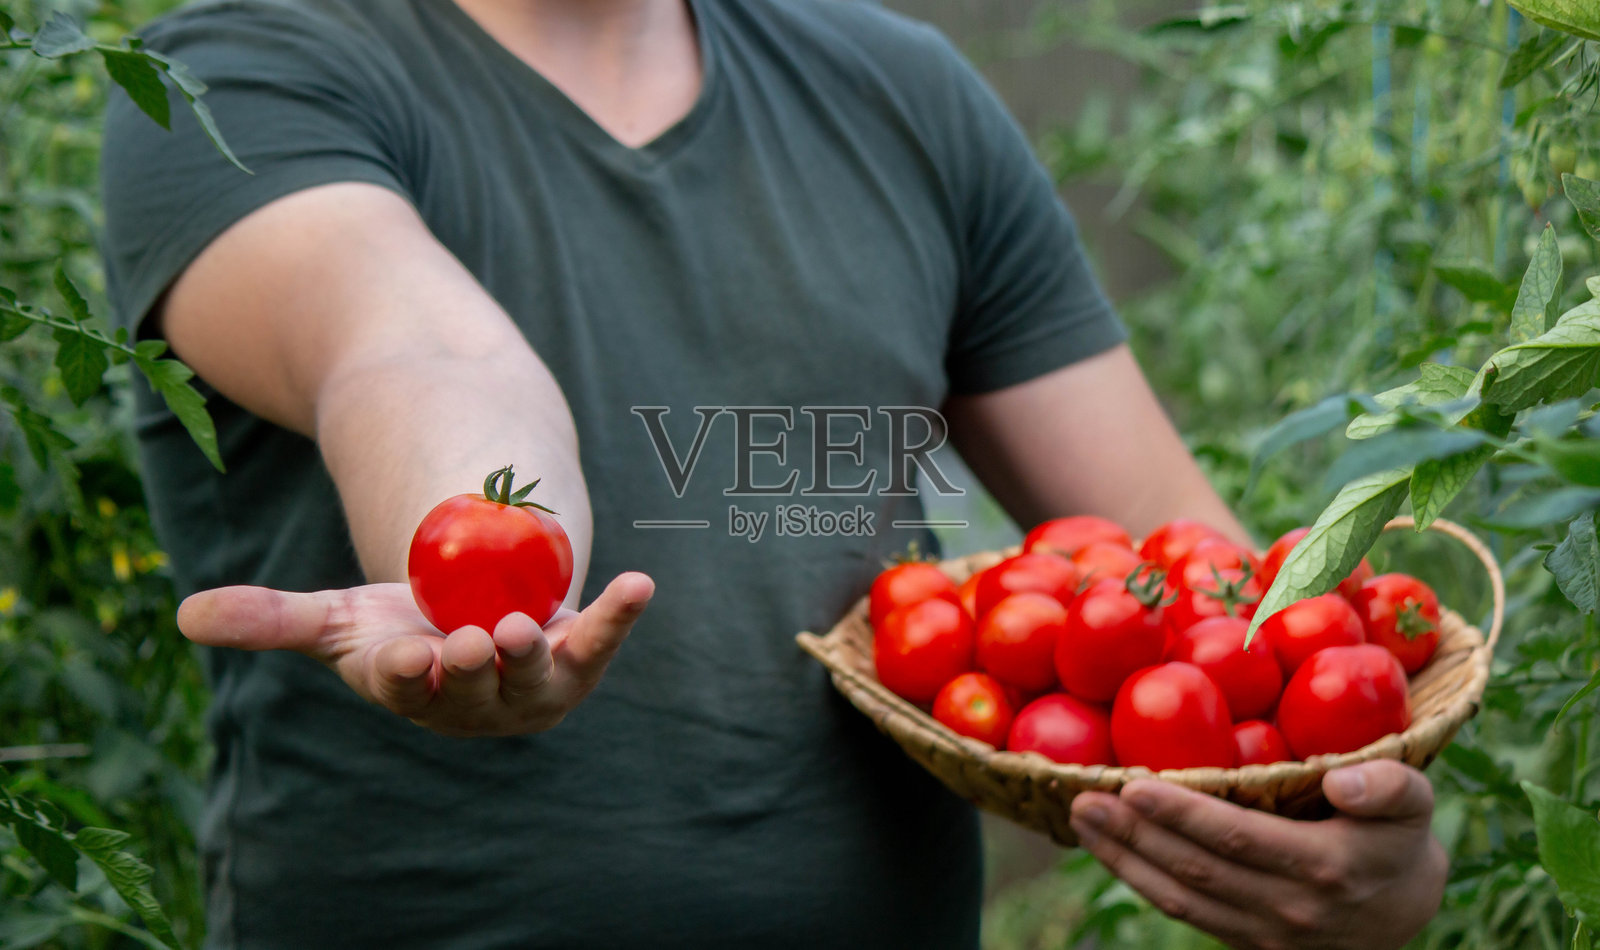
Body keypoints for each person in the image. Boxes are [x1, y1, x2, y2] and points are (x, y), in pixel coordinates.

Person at [99, 0, 1447, 947]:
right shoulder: (234, 78)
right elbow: (412, 349)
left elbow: (1224, 606)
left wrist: (1356, 850)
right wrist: (495, 548)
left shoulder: (906, 97)